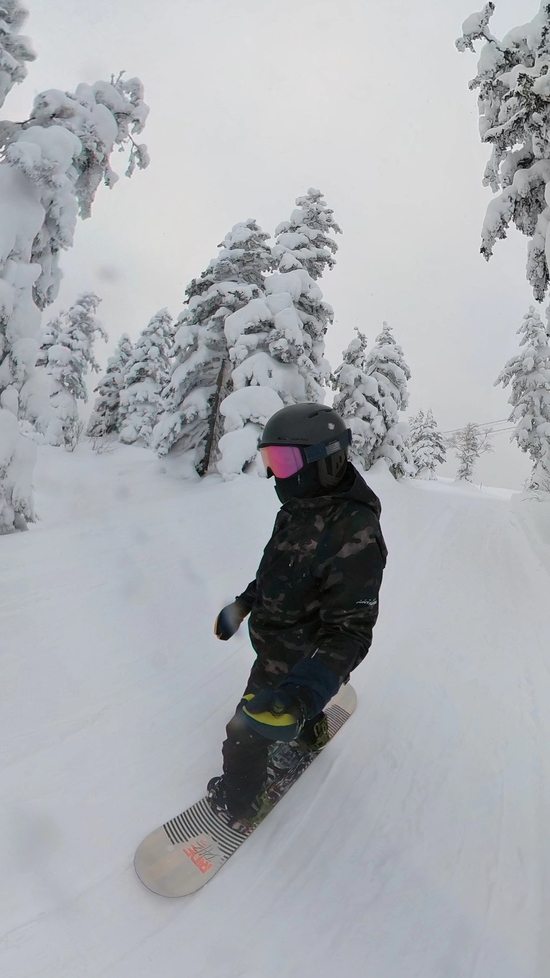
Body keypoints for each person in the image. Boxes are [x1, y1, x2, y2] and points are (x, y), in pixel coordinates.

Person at [208, 402, 387, 826]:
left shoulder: (355, 532)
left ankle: (239, 804)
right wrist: (246, 602)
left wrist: (302, 692)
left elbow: (351, 632)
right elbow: (277, 568)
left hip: (305, 660)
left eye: (285, 461)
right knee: (281, 713)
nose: (275, 475)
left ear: (326, 461)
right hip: (273, 643)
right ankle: (310, 728)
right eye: (271, 461)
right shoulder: (298, 508)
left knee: (242, 733)